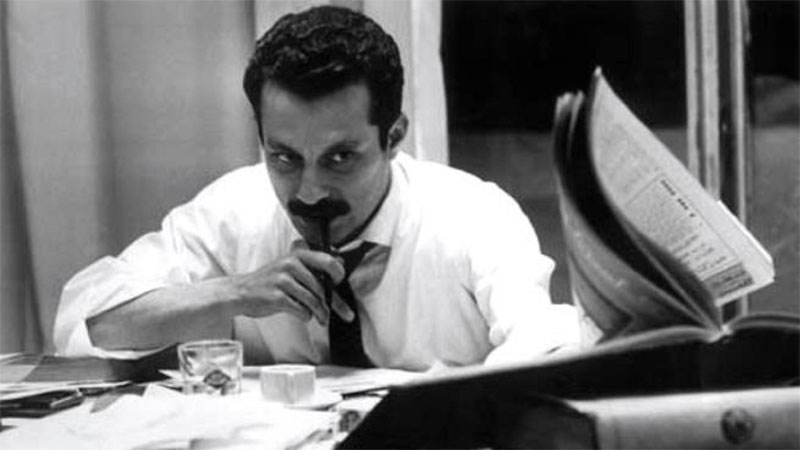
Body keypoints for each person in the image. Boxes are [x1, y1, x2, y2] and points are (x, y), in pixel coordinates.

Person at [54, 5, 578, 370]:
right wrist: (233, 292)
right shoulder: (235, 210)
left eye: (340, 158)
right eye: (284, 157)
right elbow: (87, 324)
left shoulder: (472, 215)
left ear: (394, 137)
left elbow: (546, 344)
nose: (308, 191)